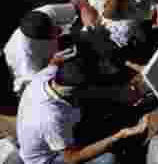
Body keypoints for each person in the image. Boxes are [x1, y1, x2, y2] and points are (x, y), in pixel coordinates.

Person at [17, 60, 149, 164]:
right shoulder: (51, 119)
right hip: (50, 159)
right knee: (109, 160)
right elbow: (72, 158)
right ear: (74, 91)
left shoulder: (48, 75)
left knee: (99, 107)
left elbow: (56, 62)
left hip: (59, 130)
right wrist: (120, 135)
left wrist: (119, 93)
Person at [5, 1, 97, 96]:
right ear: (39, 40)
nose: (57, 31)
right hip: (39, 77)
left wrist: (92, 29)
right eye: (51, 35)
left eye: (55, 28)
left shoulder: (47, 12)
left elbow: (80, 4)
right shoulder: (26, 60)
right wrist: (53, 65)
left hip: (55, 57)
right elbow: (34, 90)